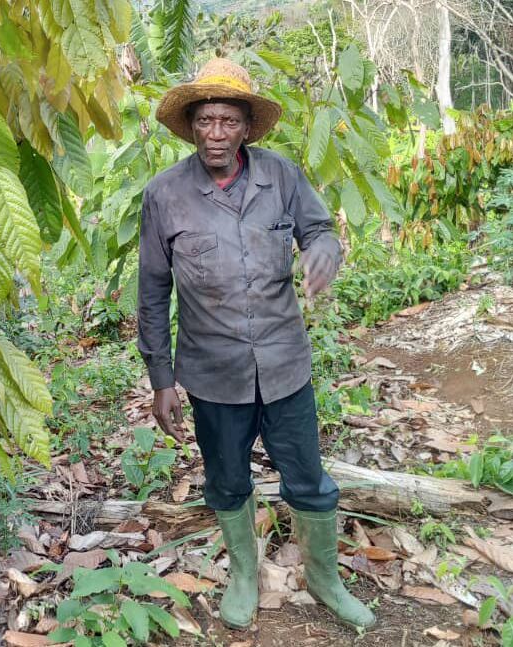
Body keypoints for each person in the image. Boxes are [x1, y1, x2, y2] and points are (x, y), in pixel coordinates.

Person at [136, 58, 375, 631]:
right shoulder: (165, 195)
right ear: (191, 125)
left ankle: (324, 578)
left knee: (308, 479)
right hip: (214, 374)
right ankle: (245, 575)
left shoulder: (282, 176)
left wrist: (323, 250)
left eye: (229, 122)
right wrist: (162, 380)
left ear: (247, 127)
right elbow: (152, 291)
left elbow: (319, 229)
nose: (216, 134)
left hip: (285, 364)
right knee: (226, 479)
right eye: (206, 121)